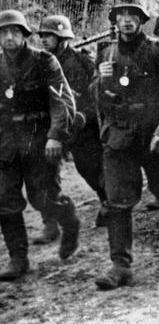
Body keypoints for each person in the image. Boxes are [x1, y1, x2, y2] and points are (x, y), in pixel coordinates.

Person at [94, 0, 159, 291]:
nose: (127, 21)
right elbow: (94, 100)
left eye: (133, 16)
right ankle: (120, 264)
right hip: (118, 136)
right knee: (117, 200)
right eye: (121, 16)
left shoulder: (158, 50)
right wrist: (101, 80)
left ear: (141, 20)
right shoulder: (105, 53)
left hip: (152, 135)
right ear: (115, 21)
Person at [0, 10, 78, 281]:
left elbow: (62, 101)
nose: (9, 37)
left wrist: (56, 135)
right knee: (5, 201)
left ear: (24, 35)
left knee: (41, 198)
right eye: (4, 32)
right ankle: (18, 259)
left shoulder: (44, 61)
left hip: (39, 139)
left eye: (15, 31)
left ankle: (68, 218)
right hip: (7, 142)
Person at [37, 15, 106, 246]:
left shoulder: (81, 61)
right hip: (54, 125)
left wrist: (83, 115)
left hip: (81, 125)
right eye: (43, 36)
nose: (44, 40)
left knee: (89, 167)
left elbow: (93, 93)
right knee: (44, 172)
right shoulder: (42, 62)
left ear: (62, 37)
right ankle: (51, 222)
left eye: (49, 36)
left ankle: (108, 202)